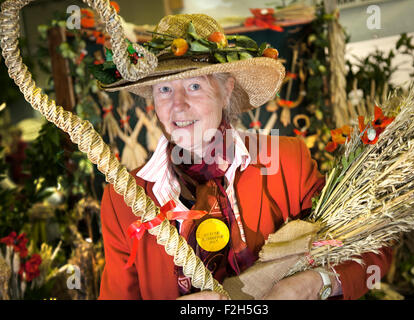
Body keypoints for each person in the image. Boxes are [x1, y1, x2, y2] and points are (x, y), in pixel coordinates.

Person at [97, 13, 392, 300]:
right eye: (164, 89)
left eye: (194, 85)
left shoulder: (287, 161)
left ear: (226, 91)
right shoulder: (123, 199)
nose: (178, 105)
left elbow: (372, 247)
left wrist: (313, 284)